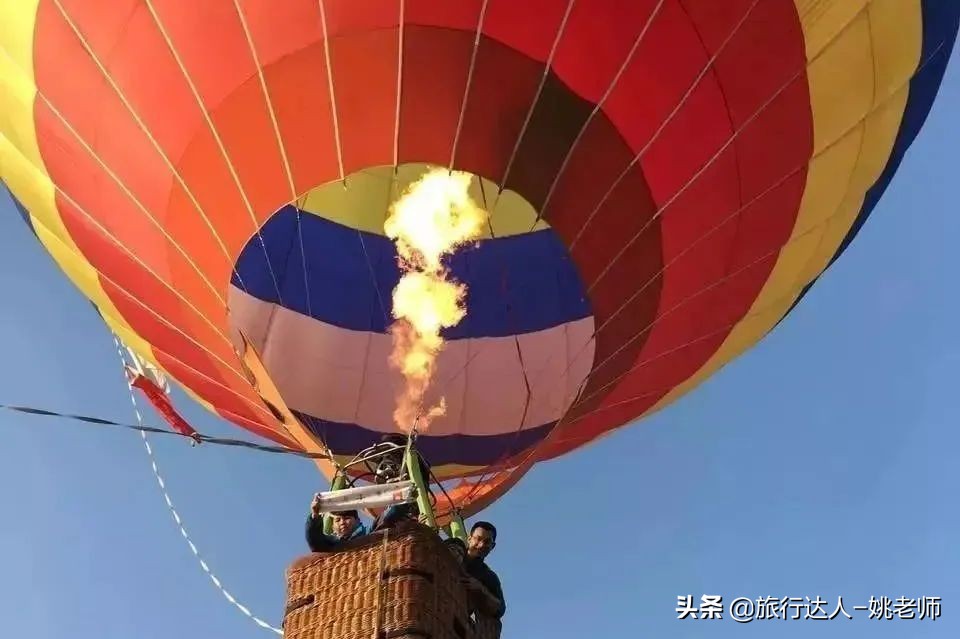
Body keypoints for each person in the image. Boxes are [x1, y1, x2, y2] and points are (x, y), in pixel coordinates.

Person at [462, 521, 505, 618]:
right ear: (469, 539)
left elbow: (500, 610)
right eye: (478, 539)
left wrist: (480, 589)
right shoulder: (454, 549)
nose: (481, 545)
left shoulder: (489, 576)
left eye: (487, 542)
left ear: (492, 546)